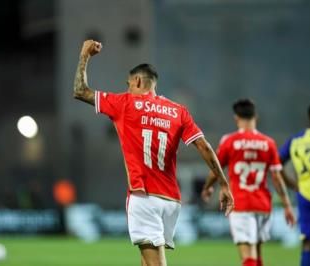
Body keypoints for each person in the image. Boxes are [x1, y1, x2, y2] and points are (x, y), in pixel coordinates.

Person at [73, 40, 234, 266]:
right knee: (146, 260)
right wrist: (224, 184)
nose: (127, 88)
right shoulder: (178, 111)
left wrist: (84, 56)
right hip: (171, 200)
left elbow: (80, 91)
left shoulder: (125, 103)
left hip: (144, 196)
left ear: (138, 81)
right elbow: (205, 147)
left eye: (128, 83)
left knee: (155, 263)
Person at [201, 99, 295, 266]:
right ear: (255, 117)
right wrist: (287, 205)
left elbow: (216, 169)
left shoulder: (229, 141)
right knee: (257, 255)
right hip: (263, 204)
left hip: (241, 203)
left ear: (236, 118)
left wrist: (208, 187)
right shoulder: (268, 143)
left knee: (248, 257)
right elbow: (277, 177)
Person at [279, 102, 310, 266]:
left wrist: (291, 183)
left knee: (308, 243)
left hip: (304, 195)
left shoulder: (296, 139)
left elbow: (276, 164)